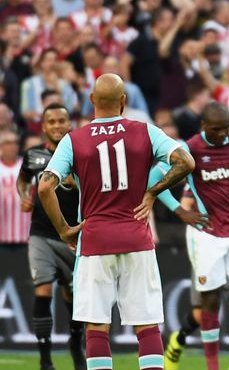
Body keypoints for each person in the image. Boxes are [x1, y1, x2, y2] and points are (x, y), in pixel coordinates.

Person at [37, 73, 195, 370]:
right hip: (136, 238)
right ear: (124, 101)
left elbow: (45, 186)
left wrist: (64, 230)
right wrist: (152, 192)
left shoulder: (74, 140)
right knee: (147, 326)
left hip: (95, 240)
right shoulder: (146, 131)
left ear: (92, 100)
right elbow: (186, 161)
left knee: (97, 327)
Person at [154, 102, 229, 370]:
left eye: (226, 127)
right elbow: (154, 177)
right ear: (203, 127)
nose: (223, 135)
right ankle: (211, 364)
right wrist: (180, 211)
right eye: (216, 130)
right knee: (208, 304)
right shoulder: (190, 149)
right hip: (207, 235)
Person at [16, 104, 85, 370]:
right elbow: (23, 180)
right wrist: (23, 196)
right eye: (51, 121)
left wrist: (76, 182)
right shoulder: (33, 155)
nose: (57, 125)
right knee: (43, 289)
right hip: (41, 234)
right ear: (44, 127)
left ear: (70, 124)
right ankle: (45, 360)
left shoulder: (81, 154)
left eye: (61, 121)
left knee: (74, 297)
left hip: (73, 236)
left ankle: (76, 345)